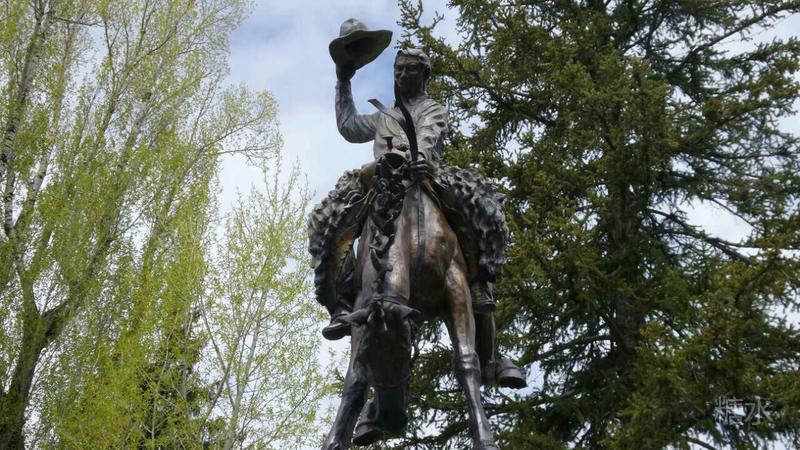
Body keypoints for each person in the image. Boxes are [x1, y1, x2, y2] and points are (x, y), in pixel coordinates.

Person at [308, 19, 525, 390]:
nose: (402, 75)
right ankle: (341, 301)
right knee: (329, 222)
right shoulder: (384, 115)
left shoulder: (433, 108)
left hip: (423, 175)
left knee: (480, 209)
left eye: (410, 70)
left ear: (424, 75)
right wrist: (343, 80)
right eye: (398, 70)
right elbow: (349, 125)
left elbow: (427, 137)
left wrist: (419, 158)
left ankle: (478, 281)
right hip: (381, 179)